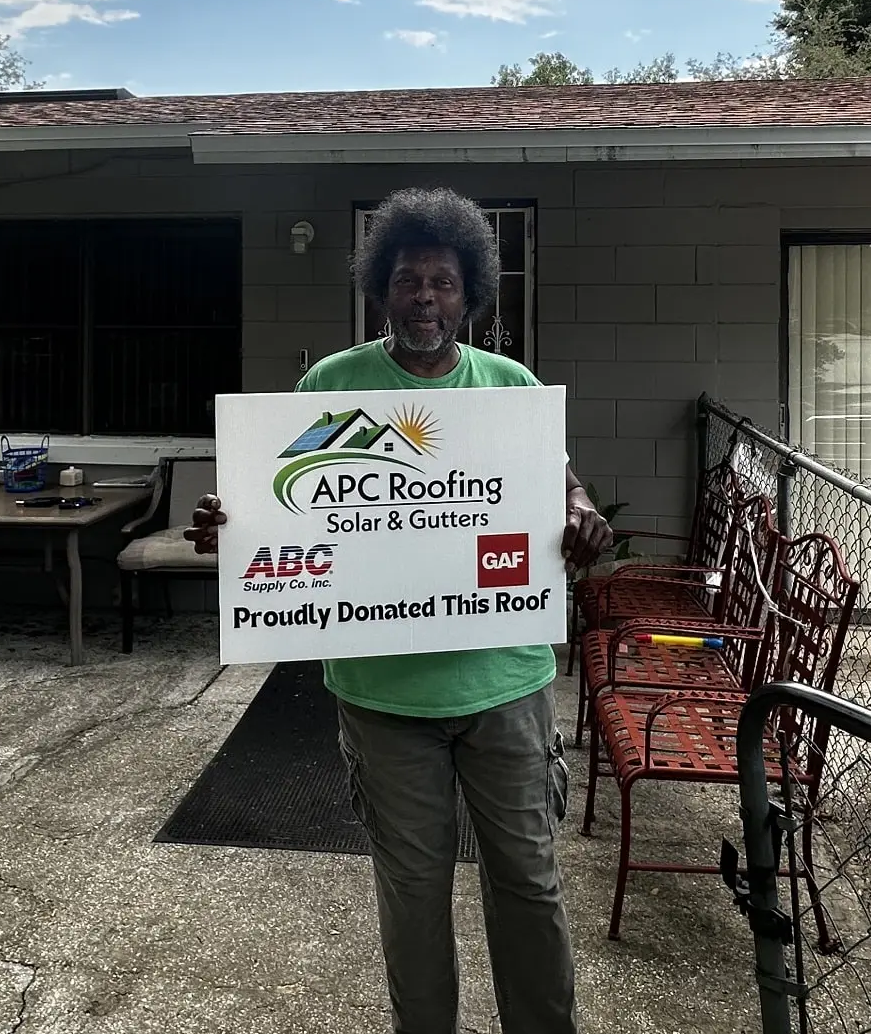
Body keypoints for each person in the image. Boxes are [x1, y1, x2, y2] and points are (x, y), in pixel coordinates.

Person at [187, 186, 612, 1034]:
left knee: (528, 881)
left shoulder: (511, 388)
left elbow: (566, 490)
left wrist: (580, 516)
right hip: (385, 699)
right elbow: (287, 506)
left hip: (505, 686)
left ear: (470, 293)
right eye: (410, 279)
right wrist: (234, 532)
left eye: (444, 281)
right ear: (382, 286)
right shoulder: (331, 385)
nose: (426, 296)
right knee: (413, 896)